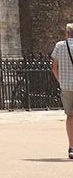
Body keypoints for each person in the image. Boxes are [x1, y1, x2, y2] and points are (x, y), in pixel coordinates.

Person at [50, 21, 73, 158]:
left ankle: (71, 147)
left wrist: (60, 80)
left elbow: (54, 67)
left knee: (70, 116)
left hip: (66, 86)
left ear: (67, 33)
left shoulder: (59, 46)